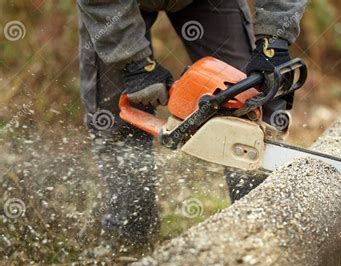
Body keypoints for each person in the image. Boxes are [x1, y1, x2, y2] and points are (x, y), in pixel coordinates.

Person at [77, 0, 307, 246]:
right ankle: (129, 237)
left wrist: (274, 39)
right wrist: (134, 64)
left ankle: (259, 225)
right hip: (114, 7)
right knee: (115, 120)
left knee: (247, 99)